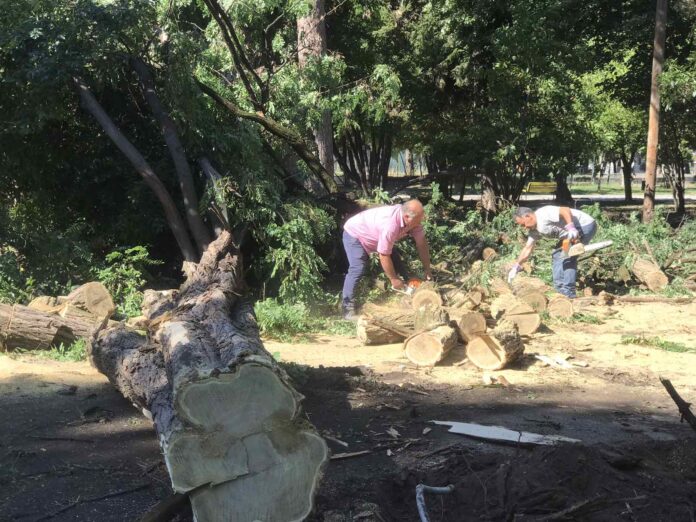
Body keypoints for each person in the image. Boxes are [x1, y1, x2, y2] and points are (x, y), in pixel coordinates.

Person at [341, 199, 432, 320]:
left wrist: (427, 269)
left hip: (375, 235)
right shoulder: (390, 224)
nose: (421, 222)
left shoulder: (413, 220)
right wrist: (393, 279)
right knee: (357, 268)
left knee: (396, 259)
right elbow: (383, 254)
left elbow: (422, 244)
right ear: (407, 217)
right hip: (355, 234)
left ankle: (408, 286)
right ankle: (347, 309)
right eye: (418, 220)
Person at [508, 206, 597, 298]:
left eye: (524, 224)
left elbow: (564, 210)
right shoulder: (534, 230)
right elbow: (528, 248)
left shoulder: (543, 214)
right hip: (568, 237)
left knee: (568, 256)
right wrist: (516, 266)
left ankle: (568, 292)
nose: (525, 227)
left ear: (528, 216)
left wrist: (571, 227)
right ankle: (559, 289)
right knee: (557, 254)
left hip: (583, 225)